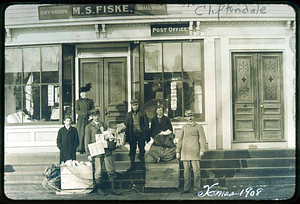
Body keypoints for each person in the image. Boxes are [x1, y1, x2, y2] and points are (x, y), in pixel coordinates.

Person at [85, 109, 121, 196]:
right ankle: (99, 188)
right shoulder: (89, 127)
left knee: (111, 170)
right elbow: (87, 141)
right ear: (92, 117)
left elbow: (109, 135)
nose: (96, 117)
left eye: (97, 115)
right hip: (97, 151)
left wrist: (110, 136)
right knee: (99, 171)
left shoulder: (104, 125)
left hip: (106, 150)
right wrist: (88, 153)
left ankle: (113, 188)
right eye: (94, 116)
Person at [176, 110, 206, 194]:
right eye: (188, 116)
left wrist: (202, 150)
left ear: (194, 117)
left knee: (196, 172)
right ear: (186, 118)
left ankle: (196, 189)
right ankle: (186, 188)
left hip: (195, 151)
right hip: (185, 152)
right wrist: (178, 151)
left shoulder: (198, 127)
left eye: (191, 116)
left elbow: (202, 139)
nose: (190, 118)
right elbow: (180, 140)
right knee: (186, 172)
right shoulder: (184, 127)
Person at [124, 99, 150, 171]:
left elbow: (146, 124)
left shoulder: (142, 113)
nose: (135, 107)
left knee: (142, 149)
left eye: (136, 105)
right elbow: (126, 125)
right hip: (132, 135)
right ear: (131, 106)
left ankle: (142, 165)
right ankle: (132, 165)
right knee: (132, 150)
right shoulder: (128, 115)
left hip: (141, 134)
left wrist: (147, 135)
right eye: (134, 105)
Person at [76, 83, 95, 154]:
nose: (83, 94)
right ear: (80, 94)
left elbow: (93, 109)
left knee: (89, 133)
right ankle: (81, 148)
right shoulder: (78, 102)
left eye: (85, 93)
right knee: (81, 134)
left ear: (86, 93)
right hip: (81, 120)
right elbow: (77, 110)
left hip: (88, 119)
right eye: (82, 93)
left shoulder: (90, 101)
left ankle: (88, 148)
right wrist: (83, 114)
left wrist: (89, 113)